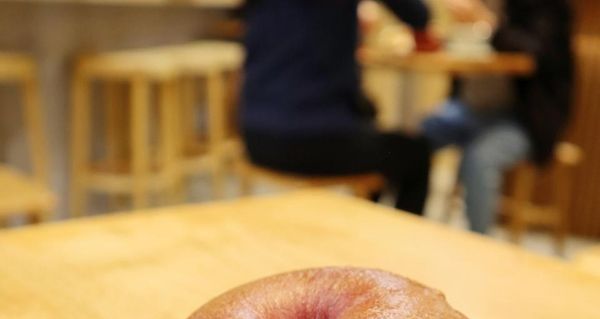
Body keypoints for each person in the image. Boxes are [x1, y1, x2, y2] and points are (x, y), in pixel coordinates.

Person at [240, 0, 436, 215]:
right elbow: (416, 13)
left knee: (372, 122)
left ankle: (364, 221)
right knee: (416, 153)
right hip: (313, 140)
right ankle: (385, 231)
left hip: (255, 137)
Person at [422, 0, 574, 234]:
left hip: (525, 120)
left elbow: (537, 54)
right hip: (470, 109)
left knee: (479, 158)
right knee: (418, 137)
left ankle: (479, 245)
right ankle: (402, 228)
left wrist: (487, 22)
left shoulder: (546, 7)